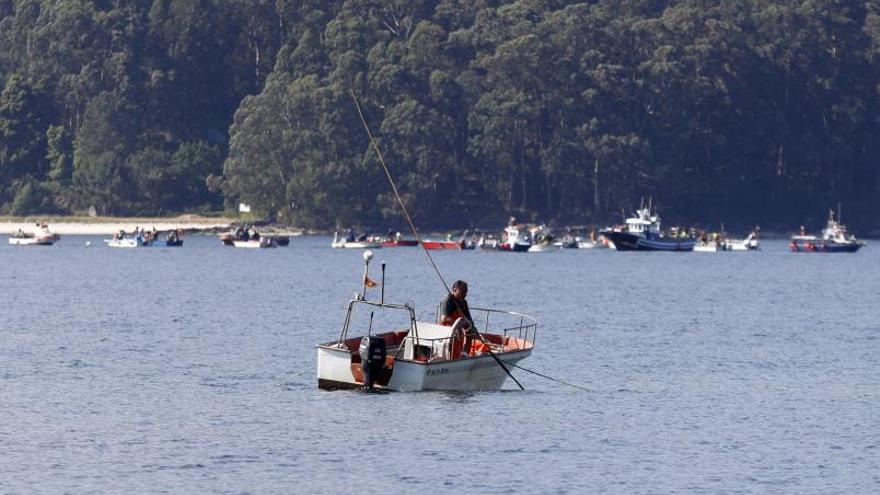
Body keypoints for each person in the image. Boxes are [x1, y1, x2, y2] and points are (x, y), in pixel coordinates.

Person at [439, 280, 477, 357]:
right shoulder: (448, 301)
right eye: (463, 291)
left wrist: (473, 327)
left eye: (466, 292)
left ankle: (465, 354)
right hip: (447, 329)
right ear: (454, 290)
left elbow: (468, 317)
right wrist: (460, 323)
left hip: (459, 328)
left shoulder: (464, 302)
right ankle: (453, 357)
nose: (465, 294)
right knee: (456, 335)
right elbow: (444, 319)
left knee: (470, 330)